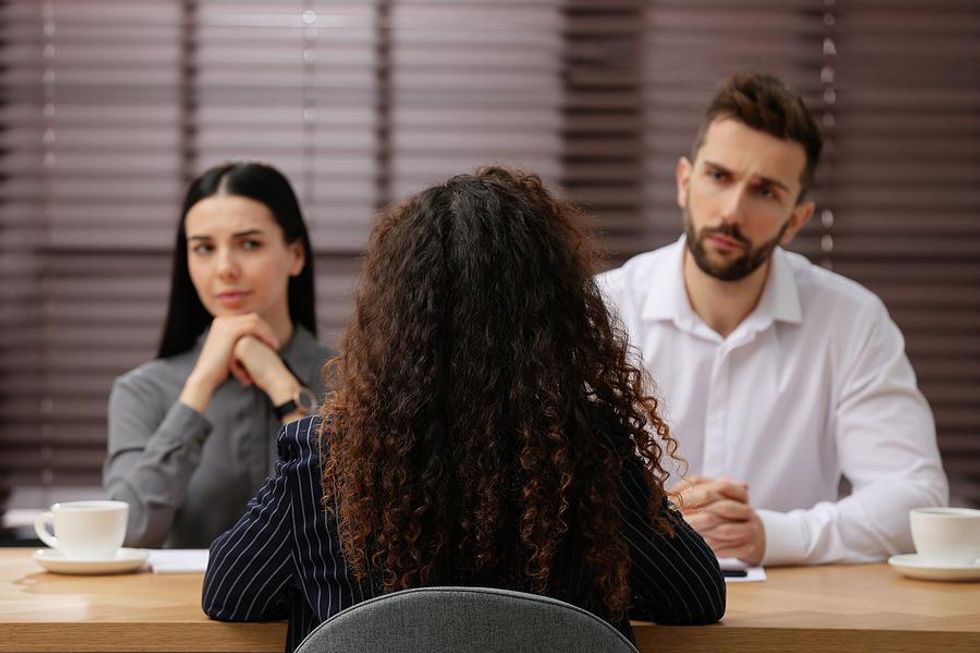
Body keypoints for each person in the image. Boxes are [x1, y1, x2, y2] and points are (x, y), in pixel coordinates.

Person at [202, 167, 725, 650]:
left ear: (391, 319)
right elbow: (696, 597)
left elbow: (230, 594)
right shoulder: (589, 453)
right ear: (558, 317)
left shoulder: (324, 459)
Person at [598, 73, 948, 566]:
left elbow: (917, 497)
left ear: (796, 220)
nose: (732, 211)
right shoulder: (604, 310)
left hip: (796, 617)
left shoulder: (852, 319)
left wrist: (773, 535)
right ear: (684, 181)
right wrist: (650, 528)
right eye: (718, 176)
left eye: (764, 191)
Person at [103, 162, 334, 548]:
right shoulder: (142, 391)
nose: (225, 268)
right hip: (178, 609)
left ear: (295, 255)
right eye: (204, 248)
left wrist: (281, 385)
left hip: (326, 610)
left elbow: (354, 530)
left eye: (249, 244)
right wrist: (200, 385)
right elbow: (125, 535)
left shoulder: (354, 379)